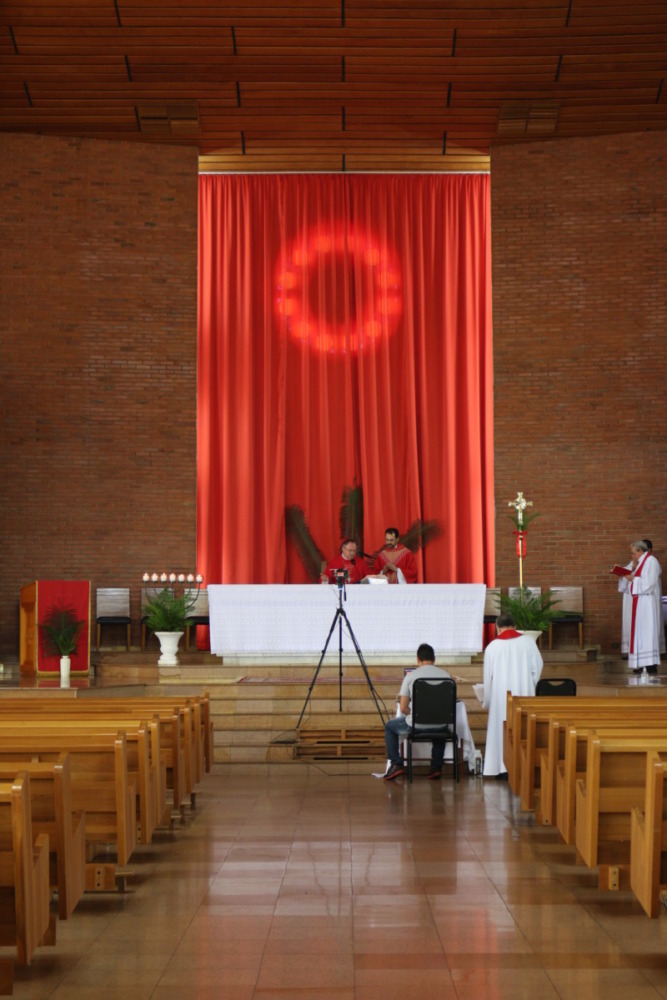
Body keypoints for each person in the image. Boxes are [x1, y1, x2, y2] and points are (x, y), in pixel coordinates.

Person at [482, 614, 543, 778]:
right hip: (524, 694)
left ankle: (502, 768)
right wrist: (529, 685)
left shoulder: (492, 647)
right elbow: (537, 667)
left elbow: (487, 678)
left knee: (501, 730)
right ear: (515, 627)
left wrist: (487, 700)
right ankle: (523, 767)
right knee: (523, 729)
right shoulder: (529, 643)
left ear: (498, 628)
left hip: (500, 697)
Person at [384, 643, 451, 781]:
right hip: (440, 724)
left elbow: (403, 707)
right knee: (439, 725)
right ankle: (436, 767)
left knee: (390, 727)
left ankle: (396, 764)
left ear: (418, 659)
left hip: (417, 725)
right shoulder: (447, 676)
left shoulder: (411, 677)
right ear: (434, 659)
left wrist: (416, 715)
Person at [618, 540, 663, 673]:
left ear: (640, 551)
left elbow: (650, 583)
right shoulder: (642, 562)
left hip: (647, 603)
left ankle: (650, 665)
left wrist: (632, 579)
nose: (632, 556)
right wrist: (629, 576)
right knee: (639, 634)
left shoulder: (651, 561)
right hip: (640, 602)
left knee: (646, 633)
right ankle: (642, 664)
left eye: (633, 553)